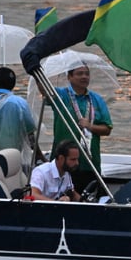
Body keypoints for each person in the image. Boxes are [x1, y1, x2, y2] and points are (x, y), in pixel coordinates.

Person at [49, 63, 112, 194]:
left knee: (90, 200)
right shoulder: (61, 95)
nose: (84, 77)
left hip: (89, 162)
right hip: (64, 164)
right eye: (79, 73)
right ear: (69, 77)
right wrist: (37, 73)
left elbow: (107, 129)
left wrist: (90, 126)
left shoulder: (97, 99)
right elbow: (44, 91)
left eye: (87, 73)